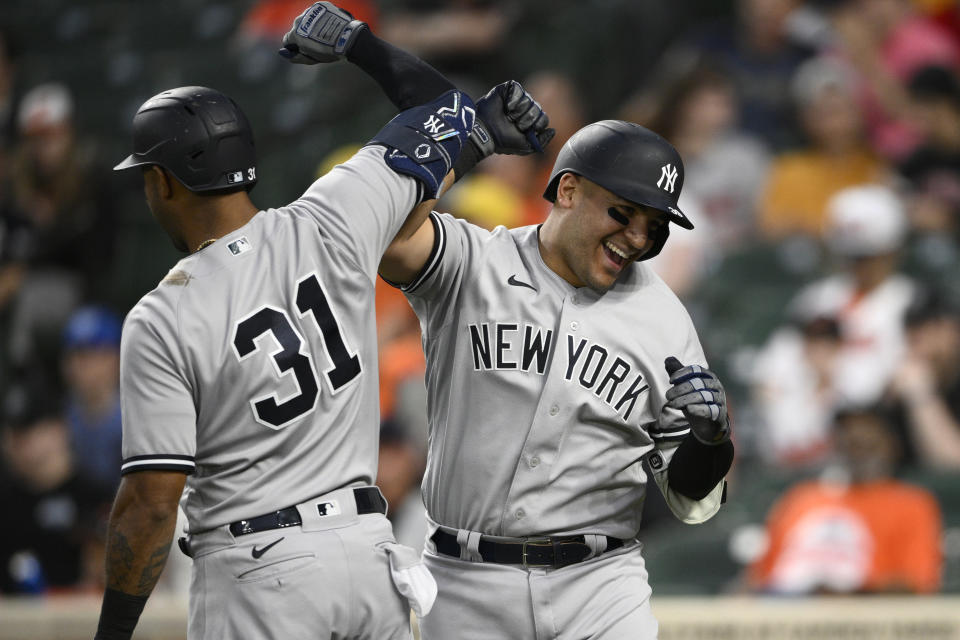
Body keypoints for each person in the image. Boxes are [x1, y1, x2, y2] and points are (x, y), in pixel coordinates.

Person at [92, 3, 552, 639]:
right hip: (368, 560)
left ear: (166, 183)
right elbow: (451, 110)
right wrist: (359, 45)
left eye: (147, 176)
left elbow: (149, 505)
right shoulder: (334, 214)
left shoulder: (162, 315)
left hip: (259, 573)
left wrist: (112, 632)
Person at [379, 120, 735, 638]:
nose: (637, 238)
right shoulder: (474, 262)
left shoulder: (665, 320)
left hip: (600, 585)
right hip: (463, 582)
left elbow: (694, 501)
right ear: (567, 189)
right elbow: (383, 234)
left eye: (654, 226)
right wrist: (465, 141)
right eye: (623, 213)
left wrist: (711, 442)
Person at [747, 406, 942, 595]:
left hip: (859, 617)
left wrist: (849, 596)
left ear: (892, 444)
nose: (857, 450)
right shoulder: (802, 497)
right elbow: (758, 579)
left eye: (867, 442)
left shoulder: (911, 503)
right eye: (850, 441)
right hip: (782, 607)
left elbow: (913, 586)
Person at [60, 305, 124, 493]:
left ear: (116, 358)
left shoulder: (141, 415)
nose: (80, 365)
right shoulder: (58, 416)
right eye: (75, 354)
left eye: (92, 354)